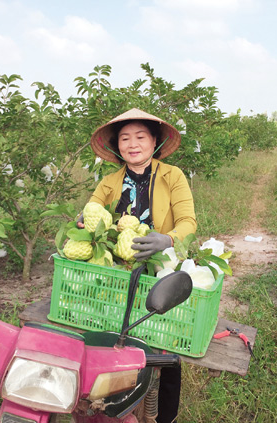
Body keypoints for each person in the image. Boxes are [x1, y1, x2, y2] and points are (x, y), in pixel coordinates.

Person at [80, 108, 197, 423]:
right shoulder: (109, 181)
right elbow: (91, 212)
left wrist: (167, 240)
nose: (132, 144)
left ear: (154, 140)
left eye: (140, 137)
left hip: (162, 269)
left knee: (165, 347)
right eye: (124, 138)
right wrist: (83, 222)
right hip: (119, 269)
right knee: (115, 338)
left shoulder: (172, 176)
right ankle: (114, 406)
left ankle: (163, 417)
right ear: (117, 146)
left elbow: (188, 221)